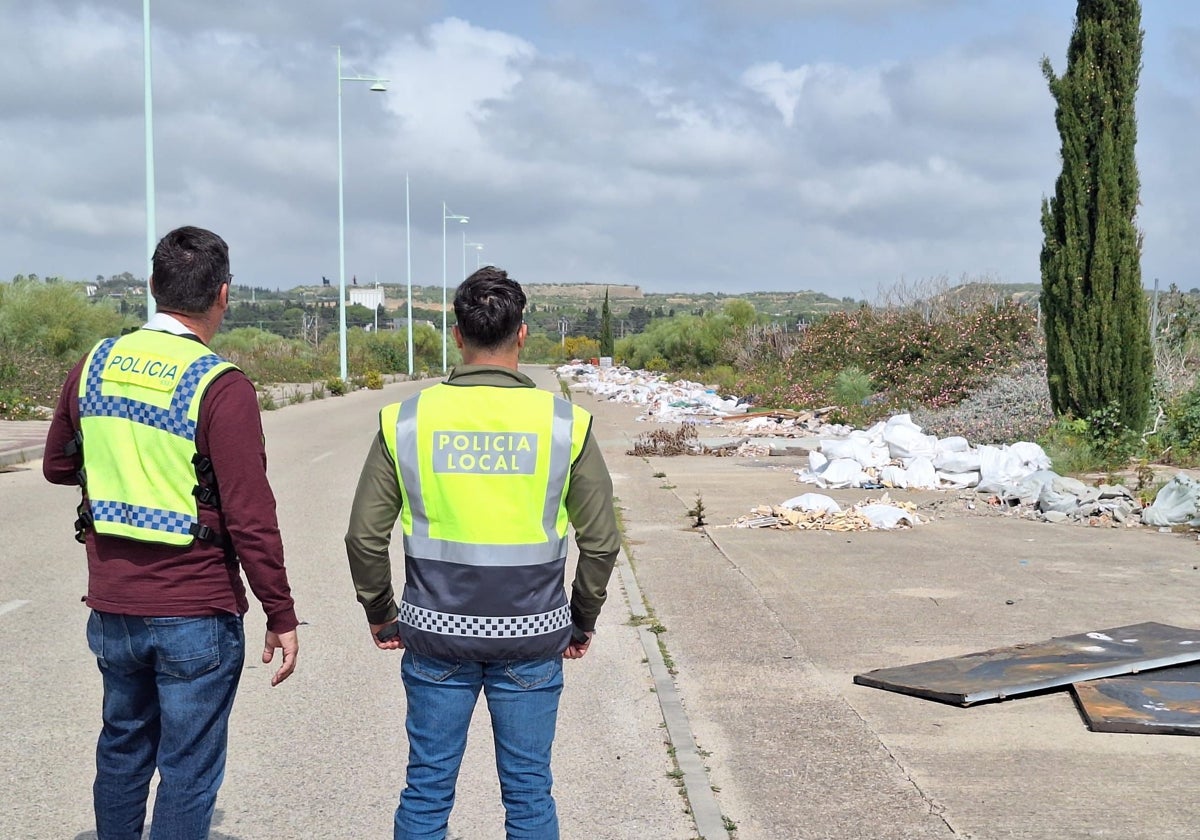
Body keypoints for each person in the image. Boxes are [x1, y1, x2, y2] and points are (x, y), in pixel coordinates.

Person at [345, 266, 621, 839]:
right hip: (532, 636)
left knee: (426, 788)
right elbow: (601, 542)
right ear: (522, 333)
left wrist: (381, 612)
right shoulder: (564, 424)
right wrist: (581, 620)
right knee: (528, 792)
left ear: (457, 334)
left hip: (434, 636)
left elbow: (364, 537)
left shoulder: (409, 421)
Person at [43, 225, 299, 840]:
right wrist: (281, 613)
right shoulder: (221, 385)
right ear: (224, 296)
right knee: (187, 770)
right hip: (195, 610)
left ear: (153, 287)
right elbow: (249, 515)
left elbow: (56, 465)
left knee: (122, 751)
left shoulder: (94, 364)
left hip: (113, 607)